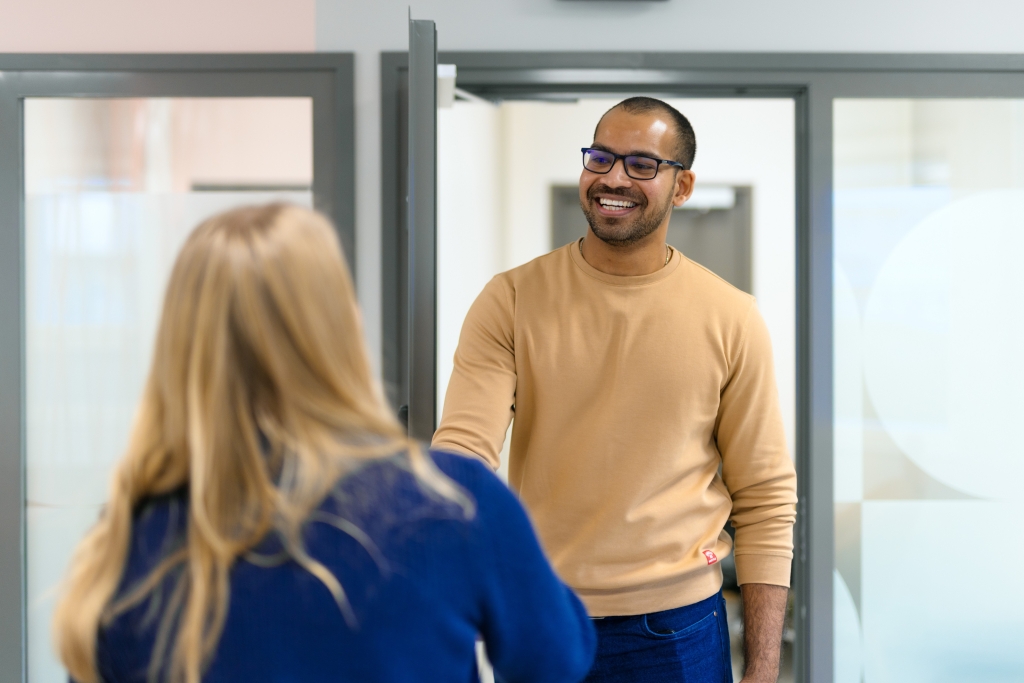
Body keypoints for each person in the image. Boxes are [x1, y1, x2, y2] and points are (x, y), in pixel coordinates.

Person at [52, 204, 596, 683]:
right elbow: (558, 659)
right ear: (342, 327)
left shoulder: (124, 539)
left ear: (181, 343)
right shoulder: (454, 502)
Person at [432, 97, 798, 683]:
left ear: (682, 187)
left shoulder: (732, 318)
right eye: (600, 157)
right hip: (545, 620)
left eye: (642, 164)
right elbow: (462, 456)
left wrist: (763, 669)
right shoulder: (512, 299)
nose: (614, 178)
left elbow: (766, 498)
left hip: (678, 629)